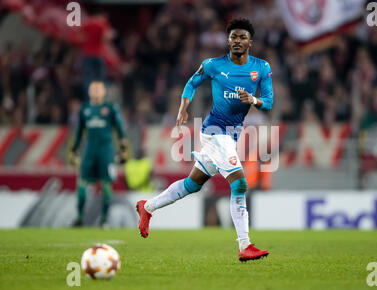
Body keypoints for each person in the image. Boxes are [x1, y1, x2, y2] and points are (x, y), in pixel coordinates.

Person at [136, 18, 273, 262]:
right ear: (228, 40)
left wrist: (253, 100)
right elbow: (191, 83)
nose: (237, 41)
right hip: (214, 132)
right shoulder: (213, 65)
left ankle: (147, 207)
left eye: (242, 37)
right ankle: (245, 245)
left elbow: (269, 103)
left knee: (193, 184)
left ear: (250, 42)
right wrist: (183, 108)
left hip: (231, 134)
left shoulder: (262, 68)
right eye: (233, 37)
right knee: (240, 184)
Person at [69, 81, 128, 227]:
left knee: (106, 184)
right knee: (82, 184)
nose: (95, 91)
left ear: (103, 91)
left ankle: (104, 220)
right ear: (89, 91)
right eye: (93, 88)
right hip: (89, 151)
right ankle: (80, 218)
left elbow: (119, 129)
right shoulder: (85, 109)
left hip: (106, 152)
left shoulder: (110, 108)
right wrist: (73, 149)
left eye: (98, 88)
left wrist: (123, 148)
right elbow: (78, 132)